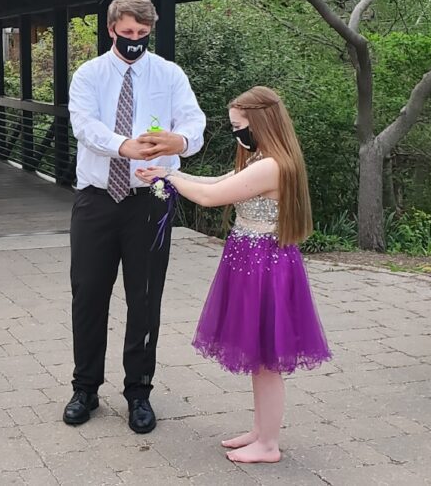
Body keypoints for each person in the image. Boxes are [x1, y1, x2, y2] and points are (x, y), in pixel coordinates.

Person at [137, 86, 332, 463]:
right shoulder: (262, 158)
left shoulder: (271, 165)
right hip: (252, 261)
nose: (236, 134)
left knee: (266, 360)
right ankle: (261, 431)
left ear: (260, 123)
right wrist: (170, 173)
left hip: (263, 266)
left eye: (239, 126)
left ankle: (269, 444)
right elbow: (214, 183)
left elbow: (213, 197)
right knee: (259, 358)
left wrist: (168, 177)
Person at [65, 0, 206, 434]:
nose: (134, 42)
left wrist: (178, 143)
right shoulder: (89, 75)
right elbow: (83, 125)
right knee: (88, 295)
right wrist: (121, 145)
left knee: (145, 297)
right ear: (111, 29)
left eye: (143, 35)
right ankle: (85, 387)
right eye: (127, 34)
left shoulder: (169, 74)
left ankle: (138, 392)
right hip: (97, 198)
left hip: (150, 198)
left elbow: (194, 123)